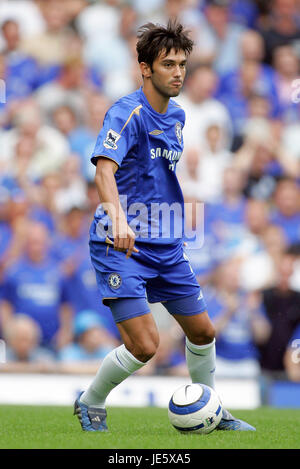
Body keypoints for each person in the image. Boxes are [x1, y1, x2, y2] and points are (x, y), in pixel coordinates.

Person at [73, 20, 255, 432]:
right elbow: (104, 171)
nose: (178, 72)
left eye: (182, 64)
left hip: (168, 241)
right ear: (145, 68)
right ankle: (91, 401)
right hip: (121, 243)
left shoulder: (177, 116)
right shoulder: (127, 112)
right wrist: (118, 219)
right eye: (168, 64)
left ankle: (212, 408)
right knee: (145, 346)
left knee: (204, 330)